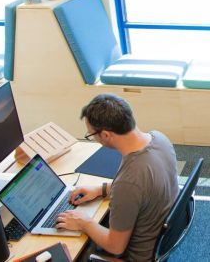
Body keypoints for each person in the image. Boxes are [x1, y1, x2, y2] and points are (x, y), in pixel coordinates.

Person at [55, 94, 179, 262]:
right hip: (156, 235)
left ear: (105, 135)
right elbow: (144, 188)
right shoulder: (159, 139)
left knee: (67, 252)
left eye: (92, 135)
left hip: (135, 257)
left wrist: (84, 222)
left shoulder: (128, 181)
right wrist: (101, 190)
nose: (93, 138)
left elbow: (115, 246)